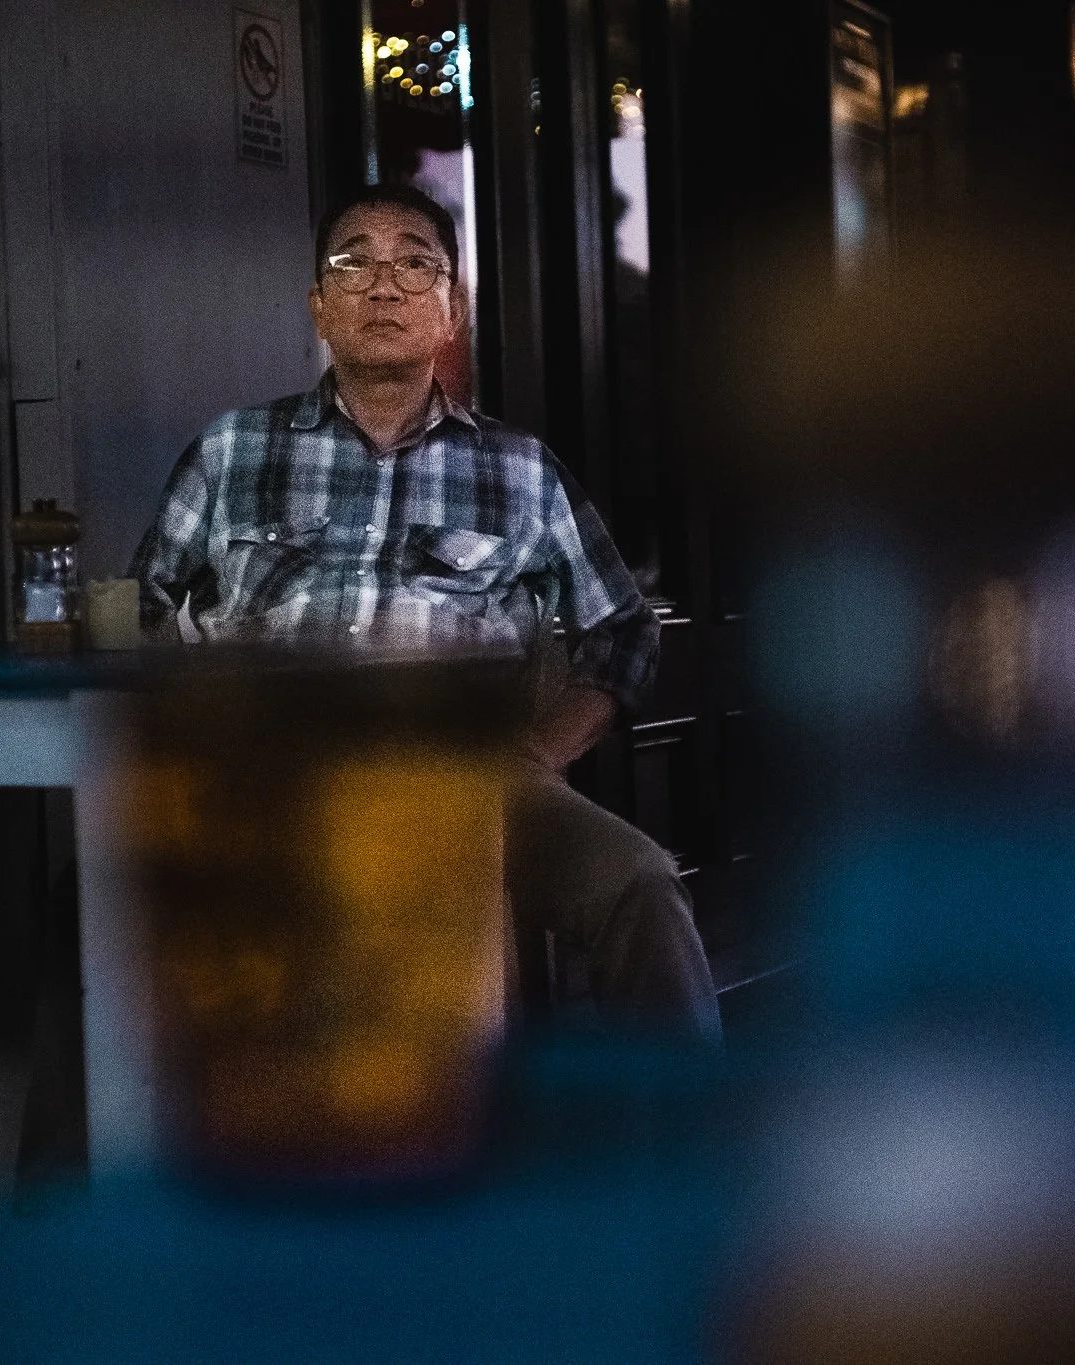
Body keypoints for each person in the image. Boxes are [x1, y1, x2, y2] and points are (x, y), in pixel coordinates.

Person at [128, 183, 720, 1041]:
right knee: (95, 902)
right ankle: (79, 1170)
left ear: (452, 310)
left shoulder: (520, 471)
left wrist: (544, 751)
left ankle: (694, 1154)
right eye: (353, 261)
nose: (382, 284)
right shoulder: (231, 451)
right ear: (319, 308)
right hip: (277, 785)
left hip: (471, 783)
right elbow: (137, 613)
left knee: (641, 884)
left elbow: (623, 631)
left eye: (416, 262)